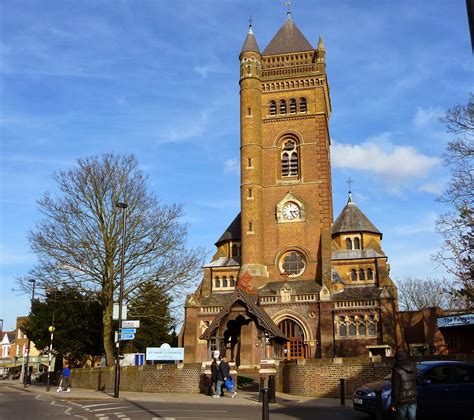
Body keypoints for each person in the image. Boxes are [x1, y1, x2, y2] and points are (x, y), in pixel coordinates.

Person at [390, 350, 417, 420]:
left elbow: (395, 389)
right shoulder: (413, 367)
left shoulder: (396, 370)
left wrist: (393, 404)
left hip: (402, 401)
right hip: (412, 398)